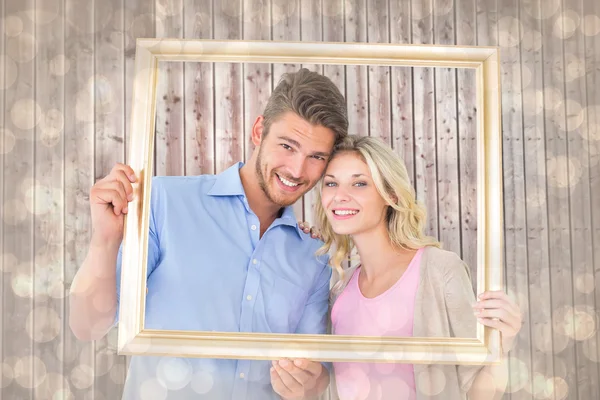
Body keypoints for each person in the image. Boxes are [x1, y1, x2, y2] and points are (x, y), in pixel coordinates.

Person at [68, 68, 348, 400]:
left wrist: (309, 384)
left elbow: (316, 376)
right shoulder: (164, 202)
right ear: (259, 130)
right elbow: (87, 326)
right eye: (287, 146)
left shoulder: (314, 256)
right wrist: (105, 240)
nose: (297, 170)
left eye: (316, 157)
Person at [306, 135, 522, 400]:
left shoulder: (440, 270)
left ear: (391, 194)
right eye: (331, 183)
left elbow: (478, 391)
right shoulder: (340, 289)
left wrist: (503, 343)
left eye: (359, 183)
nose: (340, 196)